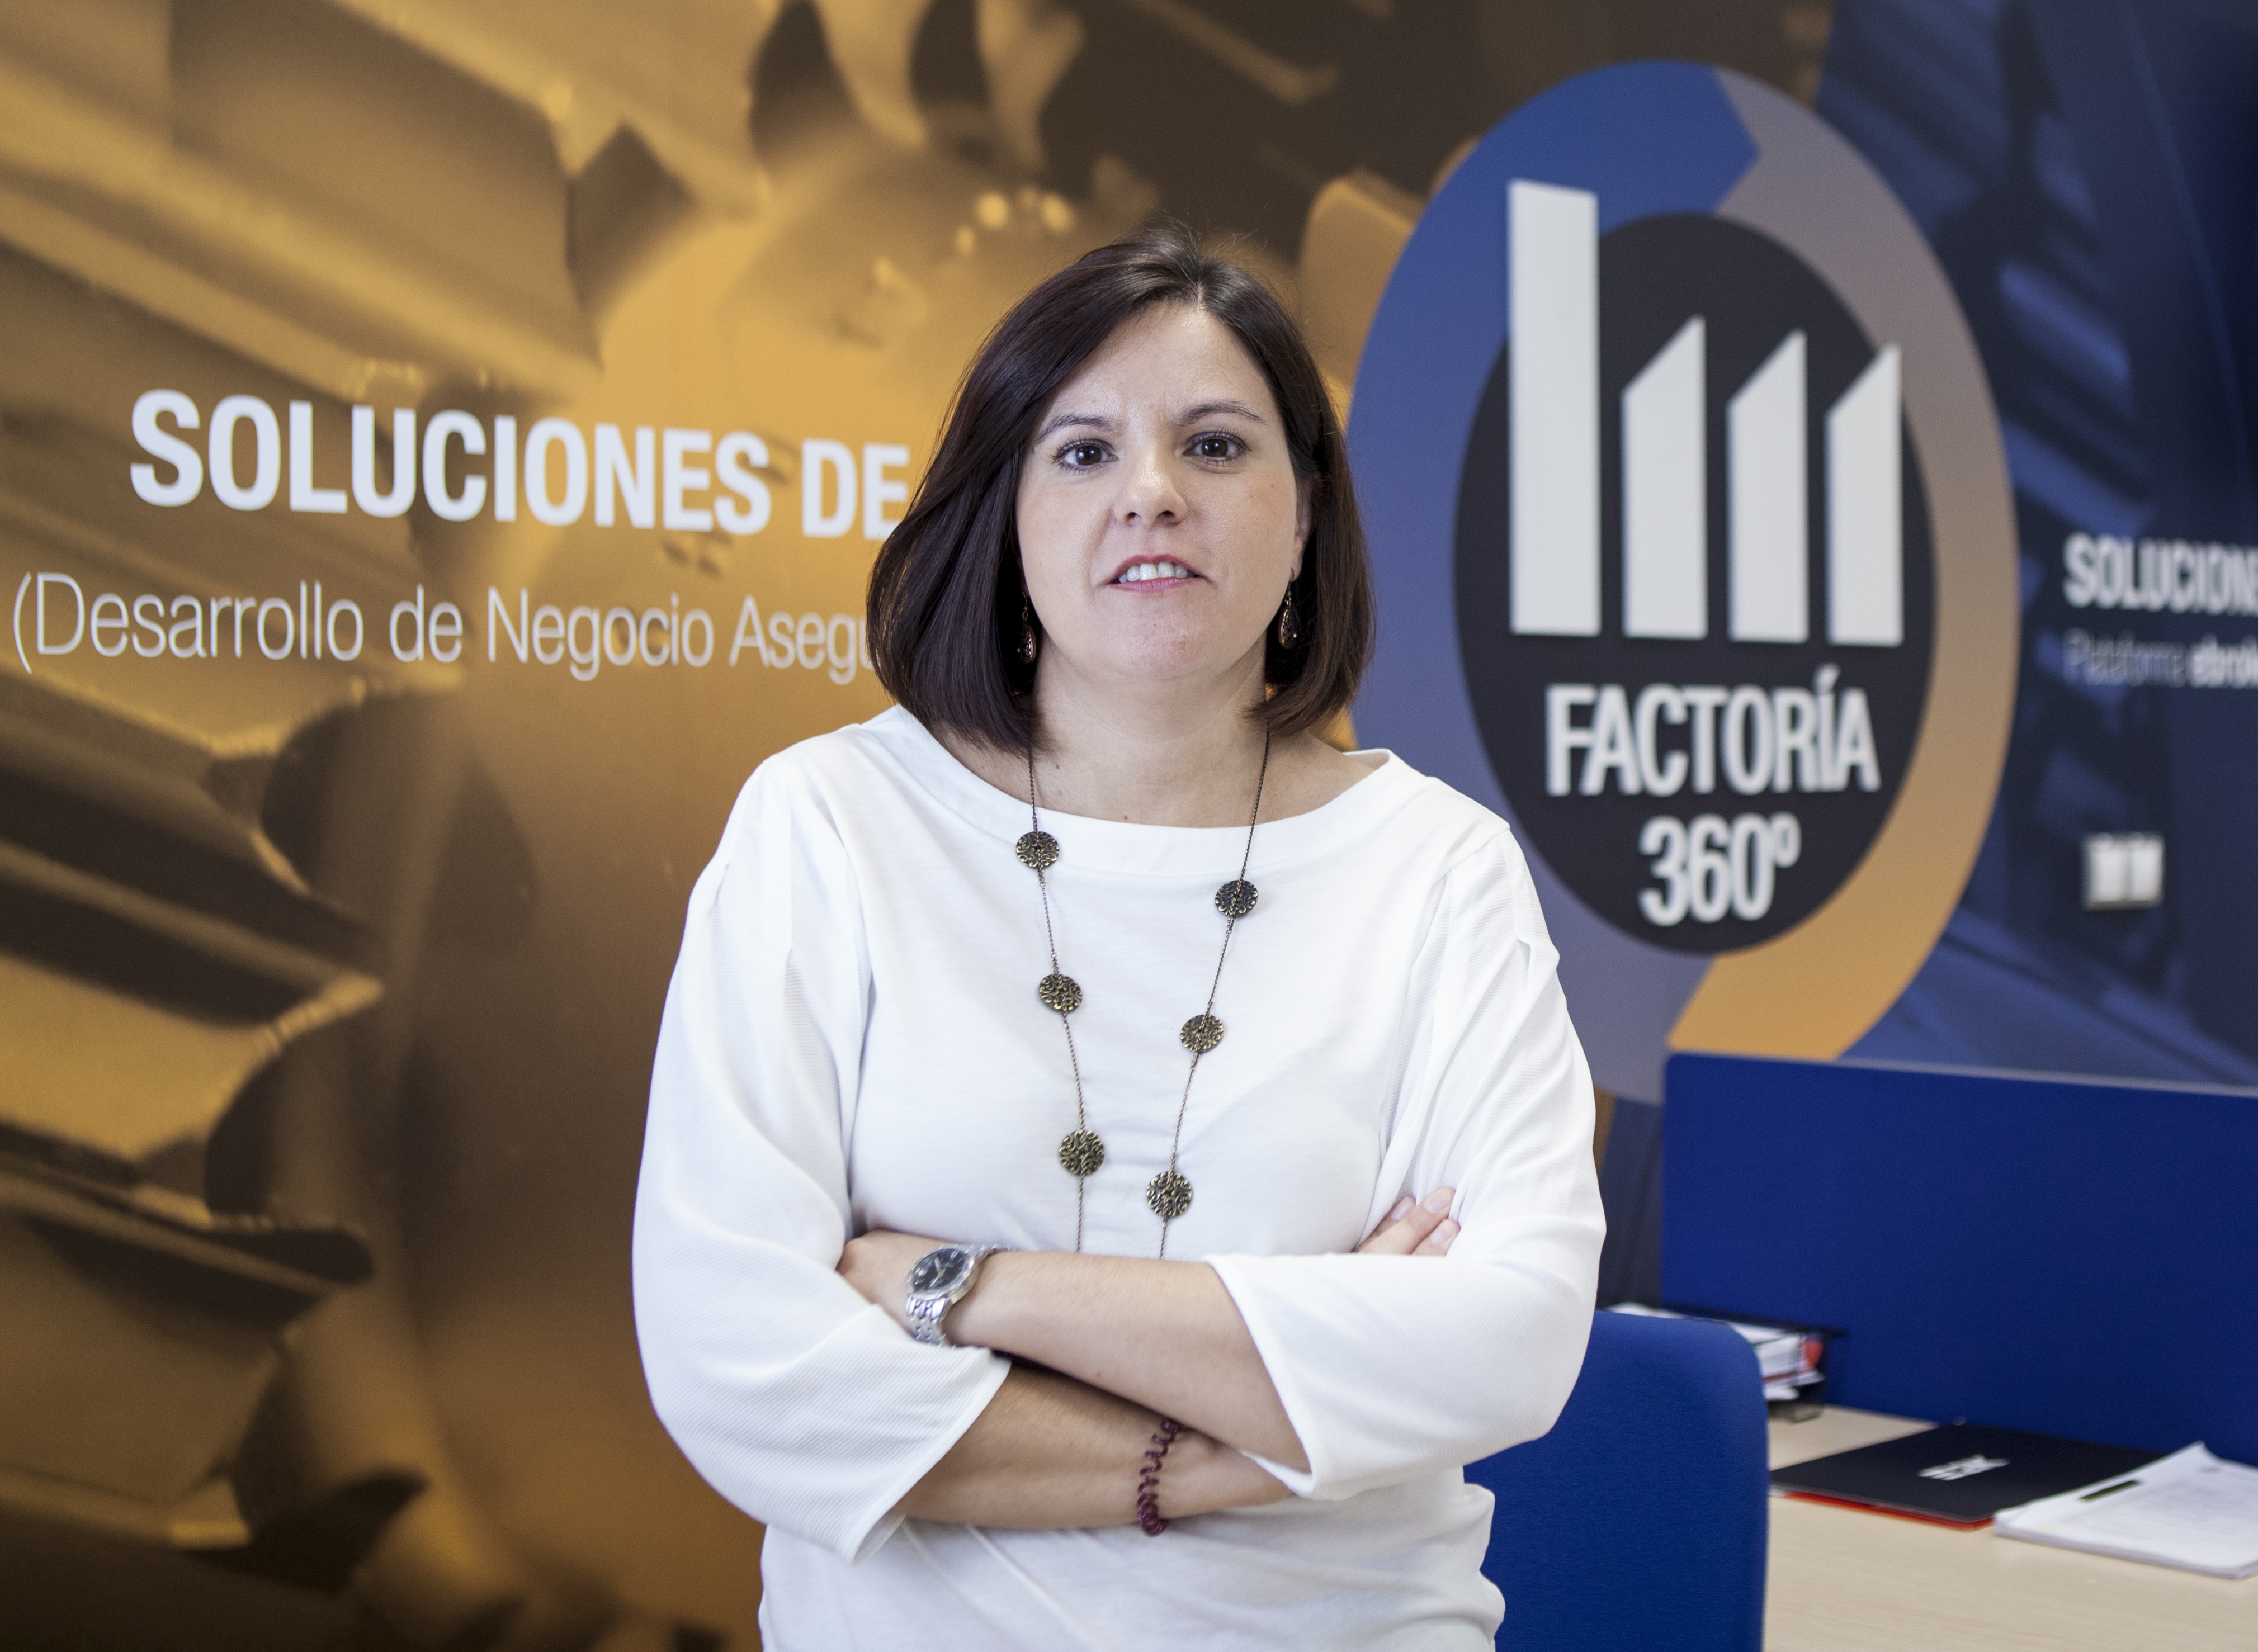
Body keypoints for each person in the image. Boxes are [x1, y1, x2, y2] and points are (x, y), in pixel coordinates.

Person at [632, 222, 1604, 1649]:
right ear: (1008, 515)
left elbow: (1510, 1340)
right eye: (1083, 451)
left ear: (1305, 510)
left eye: (1214, 445)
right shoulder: (828, 824)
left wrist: (965, 1286)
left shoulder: (1439, 868)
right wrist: (1240, 1441)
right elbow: (741, 1362)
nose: (1152, 491)